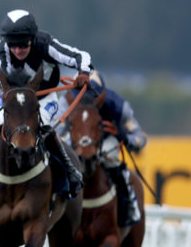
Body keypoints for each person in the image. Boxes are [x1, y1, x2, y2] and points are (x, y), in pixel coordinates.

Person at [0, 9, 93, 198]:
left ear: (32, 38)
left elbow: (80, 56)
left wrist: (83, 73)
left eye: (23, 45)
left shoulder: (45, 43)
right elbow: (2, 81)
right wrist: (15, 98)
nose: (17, 50)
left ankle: (69, 170)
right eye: (13, 45)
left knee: (45, 126)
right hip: (14, 100)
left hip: (43, 98)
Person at [56, 71, 145, 227]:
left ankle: (129, 203)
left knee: (113, 160)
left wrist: (131, 141)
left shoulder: (116, 104)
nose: (83, 101)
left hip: (105, 142)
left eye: (89, 97)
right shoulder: (66, 102)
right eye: (80, 95)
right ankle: (53, 203)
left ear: (101, 96)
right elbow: (56, 132)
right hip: (75, 141)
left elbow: (138, 135)